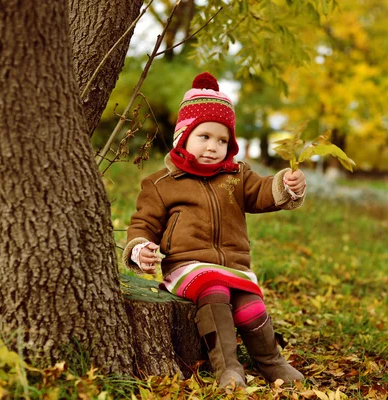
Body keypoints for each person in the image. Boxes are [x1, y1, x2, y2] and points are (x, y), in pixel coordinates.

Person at [123, 72, 306, 390]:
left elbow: (263, 193)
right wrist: (141, 249)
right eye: (204, 136)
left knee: (251, 304)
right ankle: (229, 368)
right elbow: (143, 224)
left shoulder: (236, 176)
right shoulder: (162, 183)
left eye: (222, 140)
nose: (213, 147)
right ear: (183, 135)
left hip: (232, 265)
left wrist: (286, 186)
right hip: (188, 266)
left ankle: (271, 362)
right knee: (215, 291)